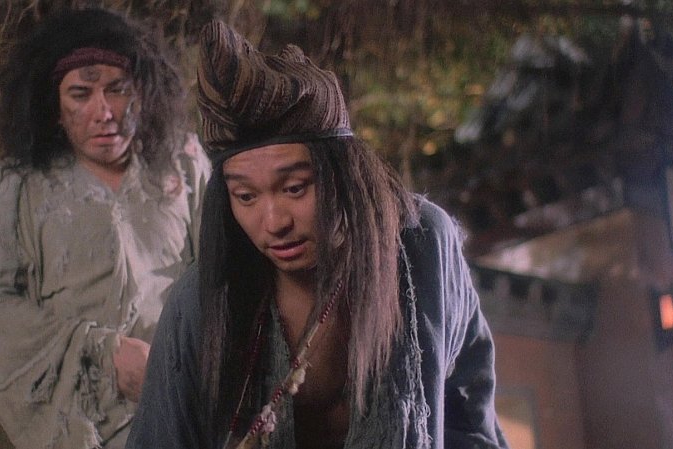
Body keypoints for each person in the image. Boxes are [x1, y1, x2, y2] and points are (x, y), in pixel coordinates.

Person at [126, 20, 508, 449]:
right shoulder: (202, 304)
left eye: (294, 188)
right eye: (246, 196)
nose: (274, 221)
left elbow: (470, 418)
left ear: (343, 176)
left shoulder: (419, 246)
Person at [0, 8, 209, 449]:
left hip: (186, 416)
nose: (105, 112)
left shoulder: (183, 166)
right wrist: (105, 354)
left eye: (118, 89)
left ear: (143, 92)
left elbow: (225, 278)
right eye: (81, 94)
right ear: (55, 108)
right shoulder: (19, 187)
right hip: (80, 427)